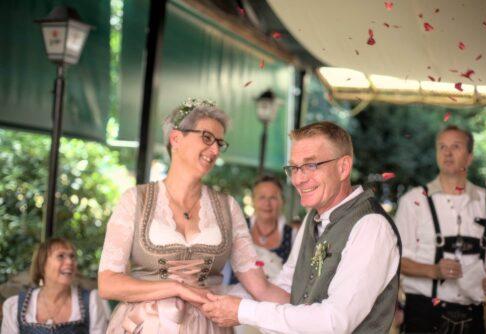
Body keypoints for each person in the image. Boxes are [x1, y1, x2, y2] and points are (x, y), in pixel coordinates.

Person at [98, 99, 289, 333]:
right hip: (147, 326)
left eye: (220, 143)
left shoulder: (228, 207)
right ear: (176, 139)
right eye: (207, 138)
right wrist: (175, 288)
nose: (216, 150)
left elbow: (261, 288)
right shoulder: (135, 200)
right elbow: (107, 283)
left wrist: (309, 310)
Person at [203, 121, 402, 333]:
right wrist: (217, 297)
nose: (298, 179)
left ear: (343, 167)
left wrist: (243, 311)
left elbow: (334, 322)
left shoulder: (371, 226)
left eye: (311, 165)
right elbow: (287, 290)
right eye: (294, 167)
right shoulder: (312, 218)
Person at [394, 125, 486, 333]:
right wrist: (434, 270)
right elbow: (396, 261)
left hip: (473, 316)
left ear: (469, 156)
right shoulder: (413, 201)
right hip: (423, 315)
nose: (447, 153)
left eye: (456, 146)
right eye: (442, 147)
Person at [1, 237, 109, 333]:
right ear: (42, 264)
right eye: (61, 256)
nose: (70, 262)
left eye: (72, 256)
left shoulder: (91, 302)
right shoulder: (14, 306)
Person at [248, 175, 298, 262]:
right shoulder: (239, 229)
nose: (267, 203)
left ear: (282, 202)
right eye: (262, 197)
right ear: (253, 201)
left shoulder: (293, 235)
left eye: (273, 198)